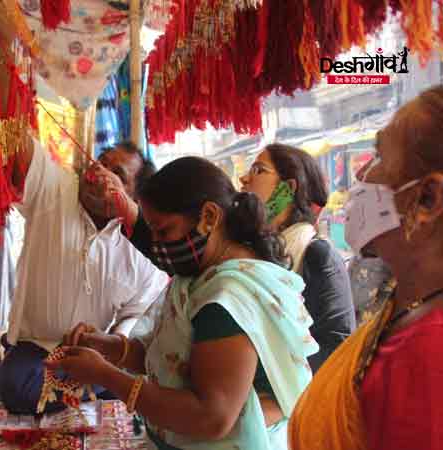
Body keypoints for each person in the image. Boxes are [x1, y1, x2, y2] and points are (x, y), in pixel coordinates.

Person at [49, 157, 318, 450]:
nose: (156, 245)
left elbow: (211, 416)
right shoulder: (200, 278)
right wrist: (109, 347)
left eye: (163, 231)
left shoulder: (226, 301)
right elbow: (172, 363)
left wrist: (105, 375)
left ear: (209, 217)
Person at [289, 85, 443, 450]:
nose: (360, 178)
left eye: (378, 157)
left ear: (427, 199)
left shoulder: (430, 353)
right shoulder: (407, 311)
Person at [0, 135, 167, 414]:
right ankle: (93, 393)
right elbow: (19, 143)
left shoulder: (143, 244)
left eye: (117, 174)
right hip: (36, 349)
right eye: (101, 162)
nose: (100, 173)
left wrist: (108, 341)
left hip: (98, 354)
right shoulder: (56, 186)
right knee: (17, 386)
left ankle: (93, 388)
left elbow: (137, 314)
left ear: (134, 197)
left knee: (144, 378)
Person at [239, 144, 355, 372]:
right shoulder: (249, 251)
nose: (244, 179)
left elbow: (337, 345)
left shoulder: (316, 253)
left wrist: (276, 379)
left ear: (288, 188)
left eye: (258, 170)